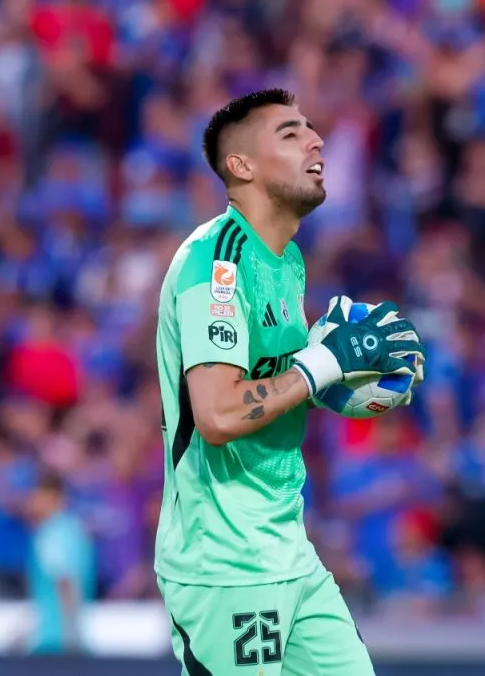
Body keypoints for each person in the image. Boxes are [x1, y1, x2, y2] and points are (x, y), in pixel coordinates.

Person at [153, 88, 424, 675]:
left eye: (311, 128)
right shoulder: (216, 262)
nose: (316, 140)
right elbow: (220, 416)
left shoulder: (287, 261)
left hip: (288, 552)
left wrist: (346, 381)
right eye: (289, 133)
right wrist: (321, 366)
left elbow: (284, 384)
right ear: (241, 166)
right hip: (223, 563)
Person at [20, 470, 95, 655]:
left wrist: (71, 635)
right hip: (66, 637)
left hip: (54, 643)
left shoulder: (52, 533)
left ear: (51, 496)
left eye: (36, 494)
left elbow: (64, 581)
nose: (31, 501)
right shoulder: (74, 529)